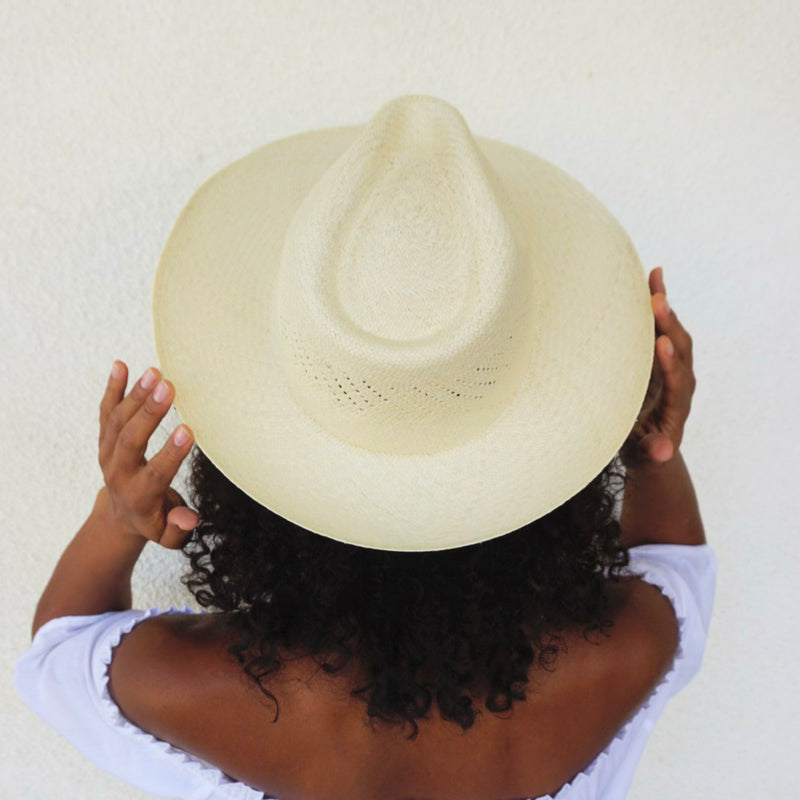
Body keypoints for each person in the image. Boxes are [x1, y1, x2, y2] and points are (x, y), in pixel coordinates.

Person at [15, 95, 715, 800]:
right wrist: (649, 446)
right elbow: (674, 564)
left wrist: (117, 517)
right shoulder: (631, 648)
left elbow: (59, 655)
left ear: (258, 490)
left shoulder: (206, 687)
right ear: (555, 477)